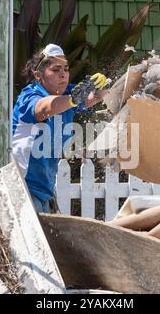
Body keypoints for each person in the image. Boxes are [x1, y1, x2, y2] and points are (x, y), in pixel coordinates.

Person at [12, 44, 109, 213]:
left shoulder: (68, 94)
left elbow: (94, 97)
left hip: (45, 191)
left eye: (66, 68)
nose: (63, 74)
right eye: (56, 70)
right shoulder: (29, 96)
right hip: (21, 187)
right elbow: (44, 108)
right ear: (38, 75)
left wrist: (105, 86)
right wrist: (74, 99)